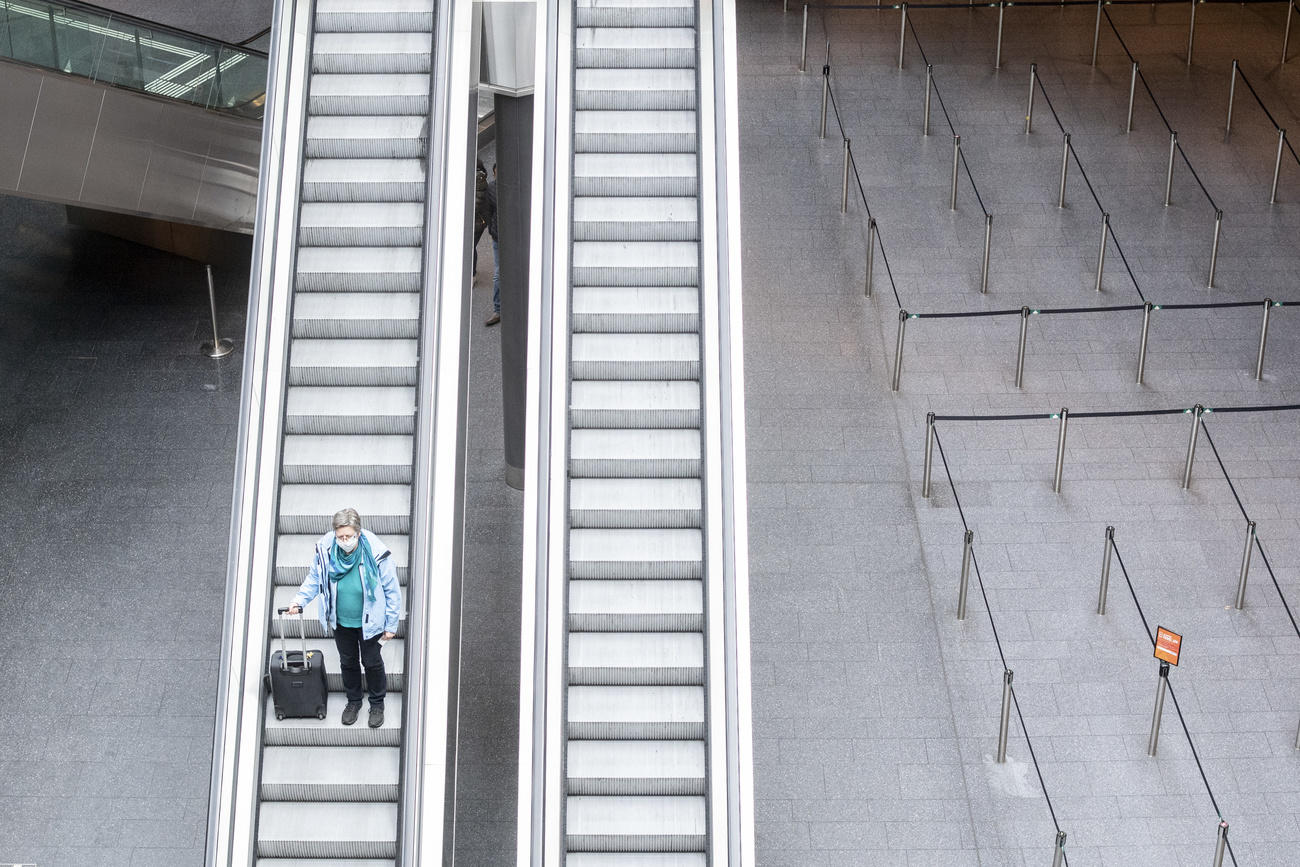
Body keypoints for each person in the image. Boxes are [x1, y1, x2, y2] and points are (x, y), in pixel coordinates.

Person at [286, 508, 402, 728]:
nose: (345, 541)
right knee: (348, 662)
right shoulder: (326, 549)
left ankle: (377, 704)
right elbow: (315, 579)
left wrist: (391, 623)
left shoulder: (376, 552)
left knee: (372, 662)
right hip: (341, 620)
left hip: (371, 622)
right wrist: (299, 600)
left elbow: (392, 590)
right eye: (340, 537)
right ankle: (354, 701)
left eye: (349, 536)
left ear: (358, 533)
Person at [485, 163, 500, 327]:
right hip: (498, 236)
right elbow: (488, 212)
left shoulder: (515, 187)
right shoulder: (491, 188)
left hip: (514, 237)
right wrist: (492, 230)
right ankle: (498, 309)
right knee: (498, 274)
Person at [472, 159, 490, 274]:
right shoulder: (478, 178)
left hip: (478, 220)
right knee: (470, 246)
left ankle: (472, 273)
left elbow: (476, 203)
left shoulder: (479, 179)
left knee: (470, 246)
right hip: (477, 219)